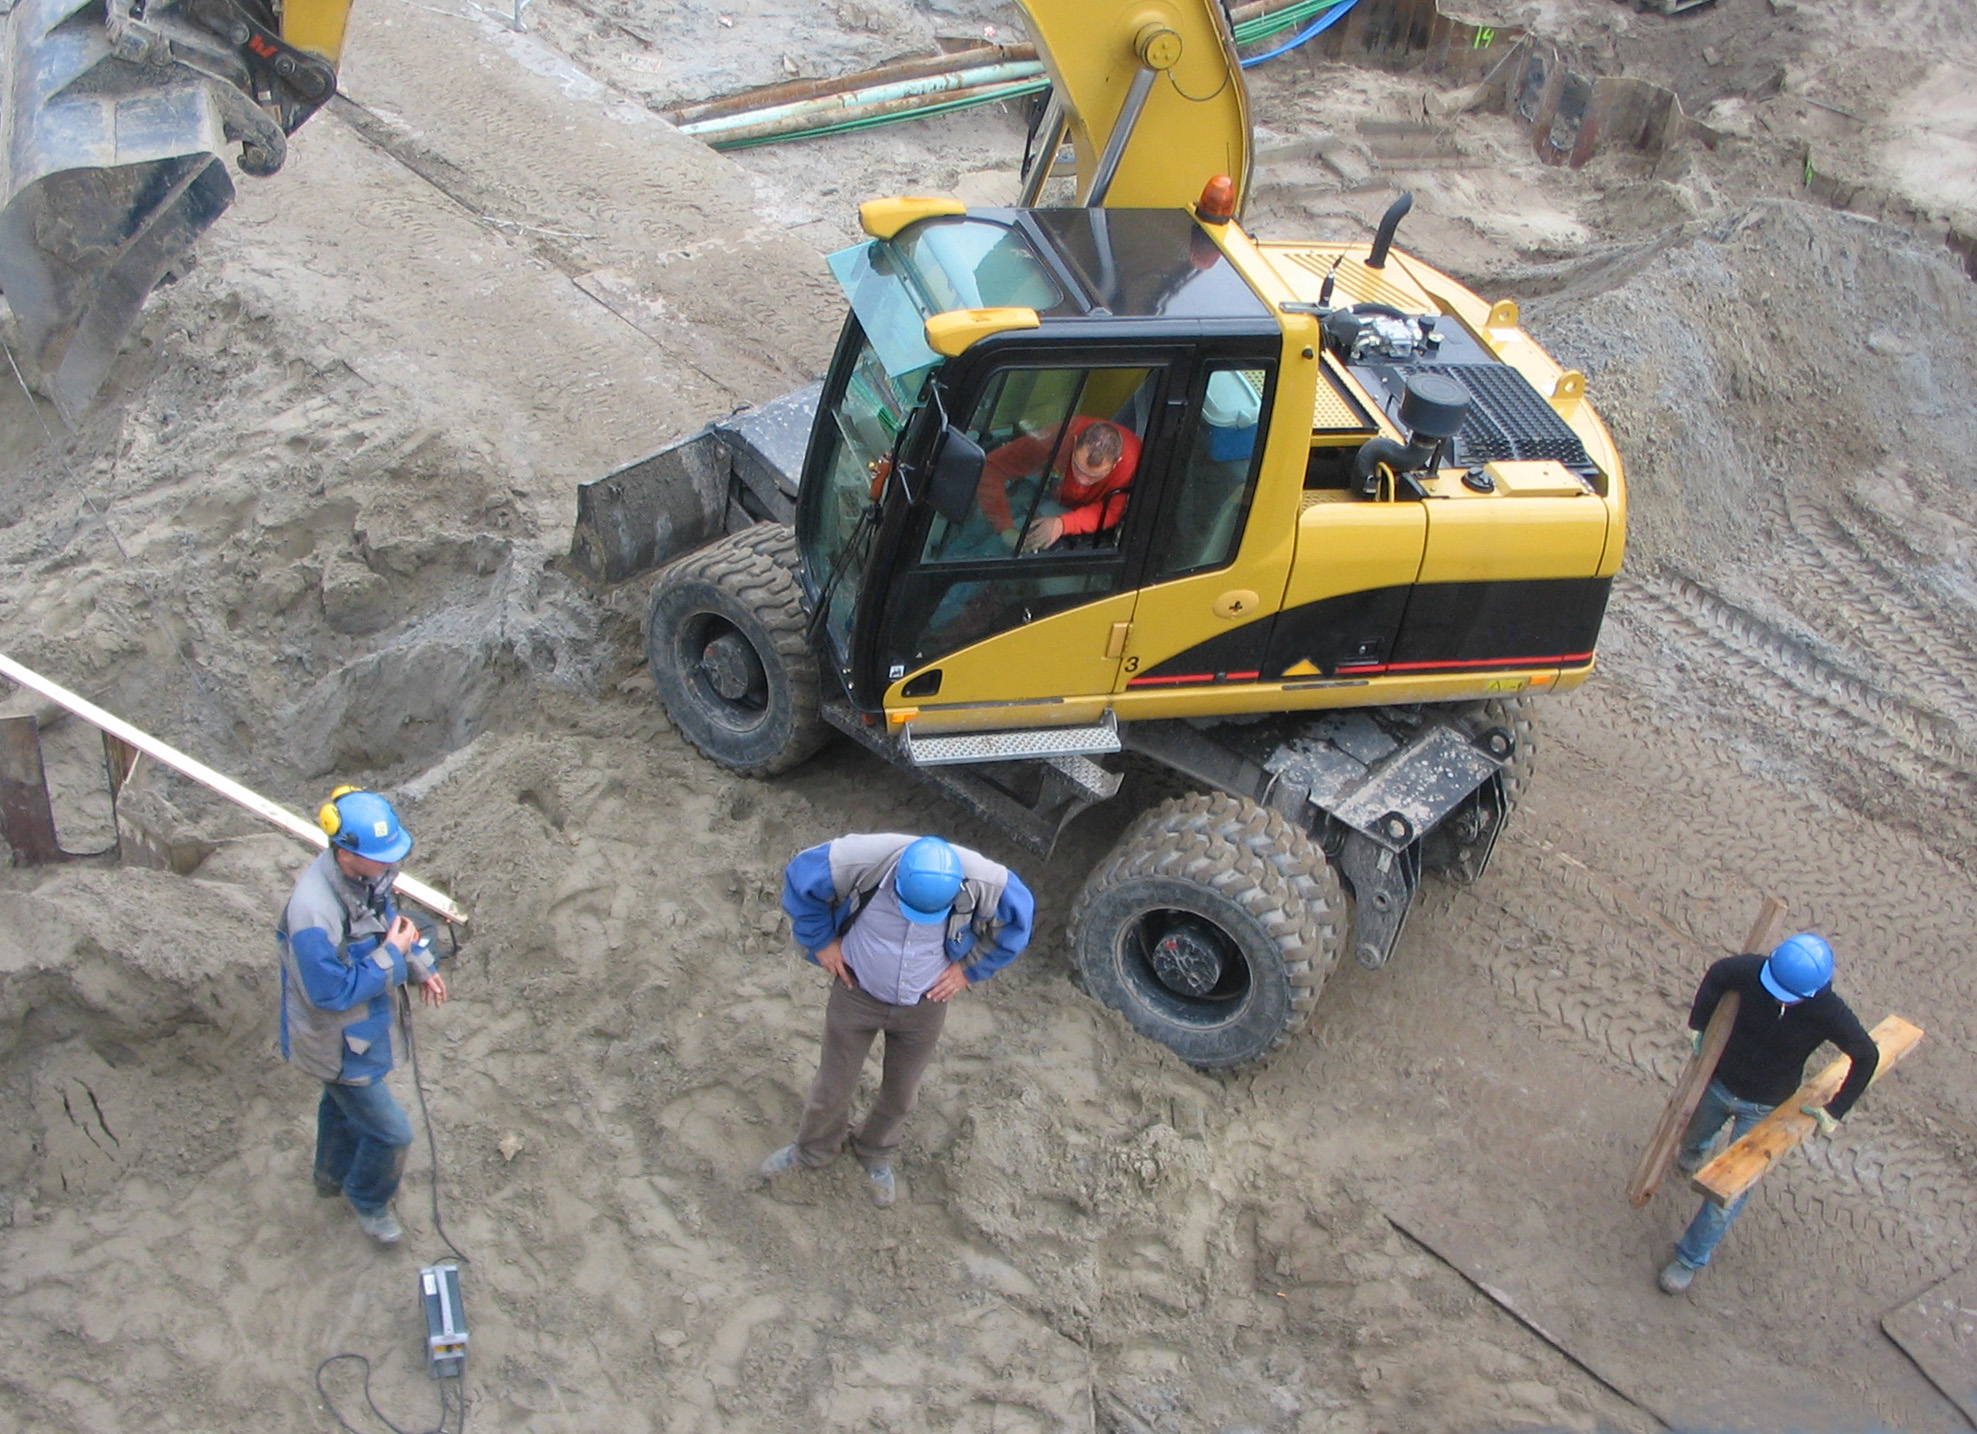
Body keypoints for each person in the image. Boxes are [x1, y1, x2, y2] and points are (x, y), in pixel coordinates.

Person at [760, 833, 1034, 1207]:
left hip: (924, 1007)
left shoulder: (988, 882)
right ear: (898, 881)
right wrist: (820, 940)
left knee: (902, 1094)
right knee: (832, 1087)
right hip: (856, 992)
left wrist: (969, 970)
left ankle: (874, 1151)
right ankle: (812, 1151)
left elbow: (1017, 923)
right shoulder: (856, 859)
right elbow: (799, 879)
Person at [1658, 933, 1879, 1293]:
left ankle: (1689, 1259)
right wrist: (1699, 1024)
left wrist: (1836, 1109)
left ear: (1812, 993)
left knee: (1728, 1193)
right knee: (1694, 1132)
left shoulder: (1829, 1011)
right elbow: (1718, 974)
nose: (1778, 998)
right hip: (1719, 1082)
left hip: (1764, 1108)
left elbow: (1867, 1055)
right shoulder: (1752, 971)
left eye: (1788, 995)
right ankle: (1695, 1151)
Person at [278, 786, 448, 1245]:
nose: (392, 864)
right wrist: (392, 956)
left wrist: (418, 965)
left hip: (361, 1032)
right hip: (335, 1044)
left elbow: (388, 925)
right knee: (392, 1134)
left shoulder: (366, 878)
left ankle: (329, 1177)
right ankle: (367, 1199)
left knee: (339, 1107)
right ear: (345, 852)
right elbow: (329, 993)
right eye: (382, 856)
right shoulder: (314, 913)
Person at [979, 416, 1141, 553]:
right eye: (1077, 467)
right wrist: (1005, 528)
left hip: (1081, 515)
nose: (1082, 480)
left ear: (1116, 463)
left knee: (997, 551)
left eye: (1094, 477)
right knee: (980, 532)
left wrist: (1062, 524)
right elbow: (991, 467)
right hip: (1047, 491)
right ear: (1075, 442)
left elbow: (1111, 511)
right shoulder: (1060, 438)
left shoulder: (1133, 463)